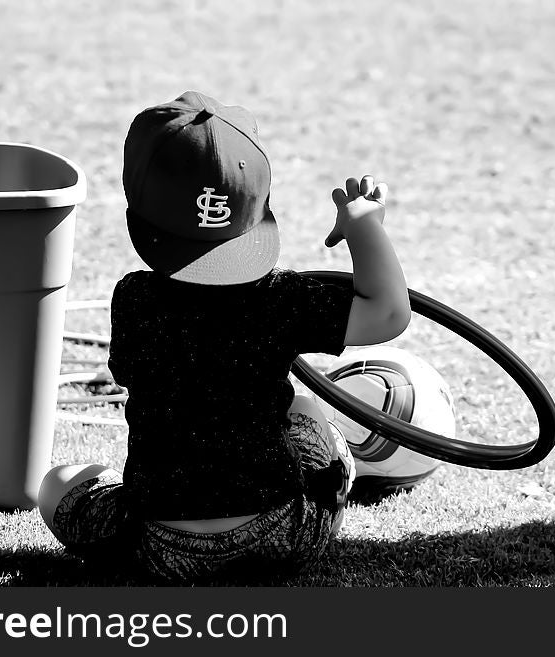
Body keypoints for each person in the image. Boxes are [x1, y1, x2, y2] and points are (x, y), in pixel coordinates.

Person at [38, 91, 410, 583]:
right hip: (282, 534)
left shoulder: (134, 300)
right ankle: (333, 496)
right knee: (301, 409)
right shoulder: (282, 298)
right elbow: (387, 314)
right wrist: (364, 228)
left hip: (158, 546)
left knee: (56, 484)